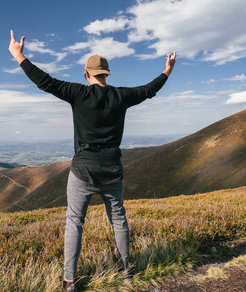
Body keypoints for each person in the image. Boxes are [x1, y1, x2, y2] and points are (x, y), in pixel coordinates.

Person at [9, 30, 176, 291]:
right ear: (107, 74)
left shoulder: (77, 93)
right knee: (118, 219)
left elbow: (45, 81)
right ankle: (126, 273)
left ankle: (69, 281)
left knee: (75, 222)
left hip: (83, 170)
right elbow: (148, 90)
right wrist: (167, 70)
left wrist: (19, 56)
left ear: (87, 75)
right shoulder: (122, 96)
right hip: (112, 169)